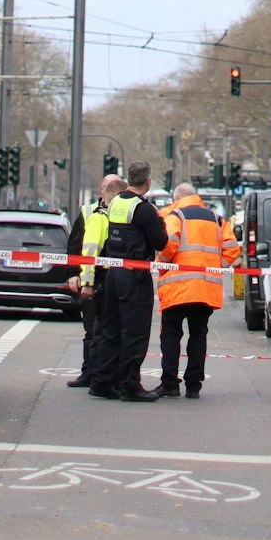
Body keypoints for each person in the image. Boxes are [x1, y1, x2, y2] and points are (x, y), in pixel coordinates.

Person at [90, 160, 168, 402]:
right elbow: (160, 242)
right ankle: (130, 386)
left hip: (114, 272)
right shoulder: (143, 208)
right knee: (135, 332)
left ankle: (102, 382)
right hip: (134, 276)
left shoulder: (116, 203)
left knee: (111, 330)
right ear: (147, 181)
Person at [155, 183, 240, 399]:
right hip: (205, 288)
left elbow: (168, 246)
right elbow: (232, 249)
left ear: (177, 198)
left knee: (171, 334)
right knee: (198, 335)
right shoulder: (217, 219)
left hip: (177, 287)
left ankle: (170, 383)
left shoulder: (176, 216)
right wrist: (214, 267)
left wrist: (164, 265)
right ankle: (194, 386)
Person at [65, 174, 125, 388]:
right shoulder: (88, 211)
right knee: (92, 328)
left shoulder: (125, 210)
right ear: (101, 189)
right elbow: (76, 246)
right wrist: (74, 274)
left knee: (107, 329)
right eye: (106, 186)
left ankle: (104, 374)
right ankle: (88, 371)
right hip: (93, 275)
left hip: (114, 276)